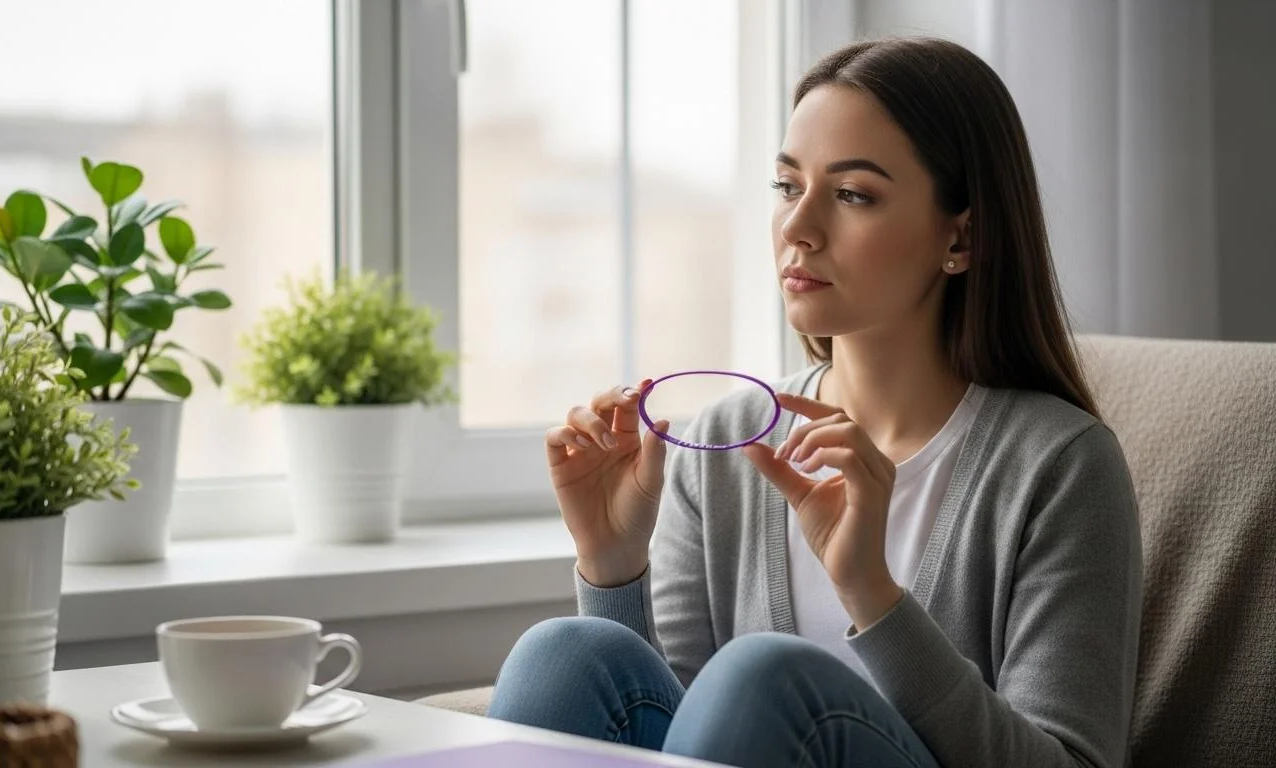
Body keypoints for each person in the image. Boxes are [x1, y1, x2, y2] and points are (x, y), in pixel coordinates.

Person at [488, 36, 1145, 768]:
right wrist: (613, 570)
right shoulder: (726, 442)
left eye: (853, 194)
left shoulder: (1059, 467)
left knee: (760, 676)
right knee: (565, 654)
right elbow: (673, 729)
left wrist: (874, 595)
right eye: (785, 186)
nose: (798, 229)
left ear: (962, 236)